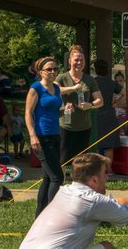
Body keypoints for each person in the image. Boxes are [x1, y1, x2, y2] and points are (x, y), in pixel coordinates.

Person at [20, 153, 128, 249]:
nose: (108, 178)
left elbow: (119, 202)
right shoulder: (92, 201)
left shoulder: (67, 191)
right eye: (105, 173)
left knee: (105, 247)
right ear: (94, 180)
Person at [25, 56, 72, 217]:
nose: (53, 72)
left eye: (55, 69)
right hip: (41, 136)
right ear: (40, 72)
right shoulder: (36, 88)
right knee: (57, 177)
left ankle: (40, 216)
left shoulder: (56, 89)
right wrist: (32, 136)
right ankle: (53, 216)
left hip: (55, 135)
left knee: (47, 178)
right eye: (49, 69)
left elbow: (55, 111)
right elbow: (28, 113)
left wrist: (65, 109)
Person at [55, 45, 103, 168]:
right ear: (69, 61)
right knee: (63, 161)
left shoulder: (89, 79)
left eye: (81, 60)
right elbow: (53, 90)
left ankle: (77, 185)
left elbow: (100, 101)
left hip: (84, 127)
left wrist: (90, 105)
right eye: (76, 60)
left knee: (81, 163)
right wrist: (72, 88)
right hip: (65, 125)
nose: (79, 62)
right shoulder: (62, 77)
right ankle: (60, 185)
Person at [94, 60, 126, 162]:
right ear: (107, 70)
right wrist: (116, 103)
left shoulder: (92, 82)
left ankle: (97, 170)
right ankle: (108, 170)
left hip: (96, 113)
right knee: (109, 145)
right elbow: (125, 93)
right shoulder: (111, 83)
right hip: (109, 114)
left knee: (96, 143)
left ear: (95, 70)